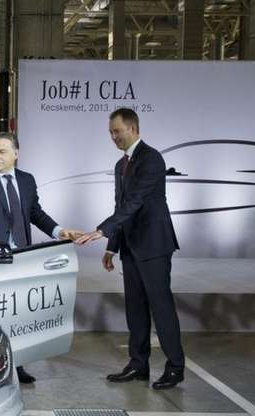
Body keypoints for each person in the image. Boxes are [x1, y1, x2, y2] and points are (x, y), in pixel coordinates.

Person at [0, 131, 87, 383]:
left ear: (16, 153)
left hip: (21, 257)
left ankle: (18, 366)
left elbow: (35, 213)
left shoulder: (27, 181)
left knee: (17, 312)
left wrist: (60, 231)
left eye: (2, 151)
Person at [81, 108, 185, 390]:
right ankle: (138, 364)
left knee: (161, 308)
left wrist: (102, 229)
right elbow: (121, 206)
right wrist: (111, 247)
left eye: (117, 131)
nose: (113, 137)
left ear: (134, 129)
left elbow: (136, 202)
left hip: (153, 245)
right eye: (111, 133)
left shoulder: (152, 159)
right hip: (130, 246)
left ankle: (175, 367)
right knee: (135, 309)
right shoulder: (120, 165)